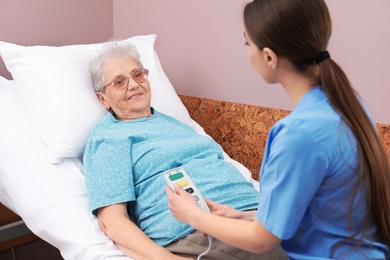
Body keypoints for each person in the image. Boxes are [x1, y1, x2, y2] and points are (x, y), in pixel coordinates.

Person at [166, 0, 390, 259]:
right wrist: (245, 215)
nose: (248, 52)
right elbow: (324, 208)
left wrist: (192, 215)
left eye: (248, 44)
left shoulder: (298, 133)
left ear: (270, 57)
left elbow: (262, 242)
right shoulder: (348, 104)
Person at [83, 42, 287, 260]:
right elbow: (113, 222)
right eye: (120, 82)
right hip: (198, 231)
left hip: (254, 212)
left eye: (138, 75)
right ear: (103, 99)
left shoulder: (175, 123)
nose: (133, 85)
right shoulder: (109, 139)